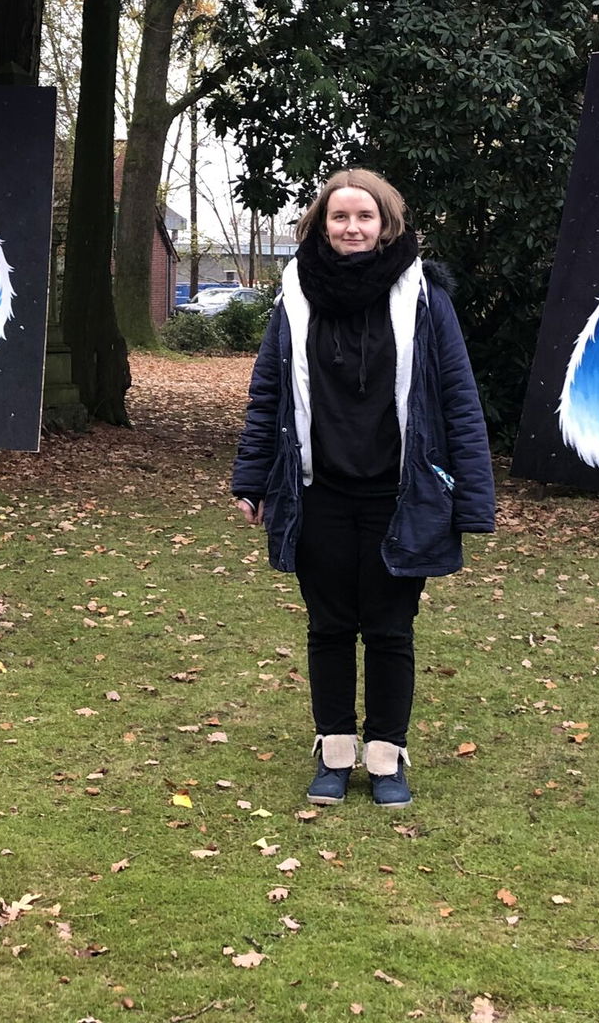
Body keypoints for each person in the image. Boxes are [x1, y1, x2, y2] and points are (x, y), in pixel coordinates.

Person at [231, 169, 495, 808]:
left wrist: (474, 497)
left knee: (388, 628)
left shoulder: (426, 295)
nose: (351, 228)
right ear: (322, 224)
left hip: (400, 494)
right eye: (339, 217)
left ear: (387, 223)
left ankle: (385, 756)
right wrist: (250, 476)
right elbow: (269, 390)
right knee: (328, 627)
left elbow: (458, 397)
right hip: (315, 491)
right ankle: (334, 749)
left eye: (364, 217)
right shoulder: (296, 293)